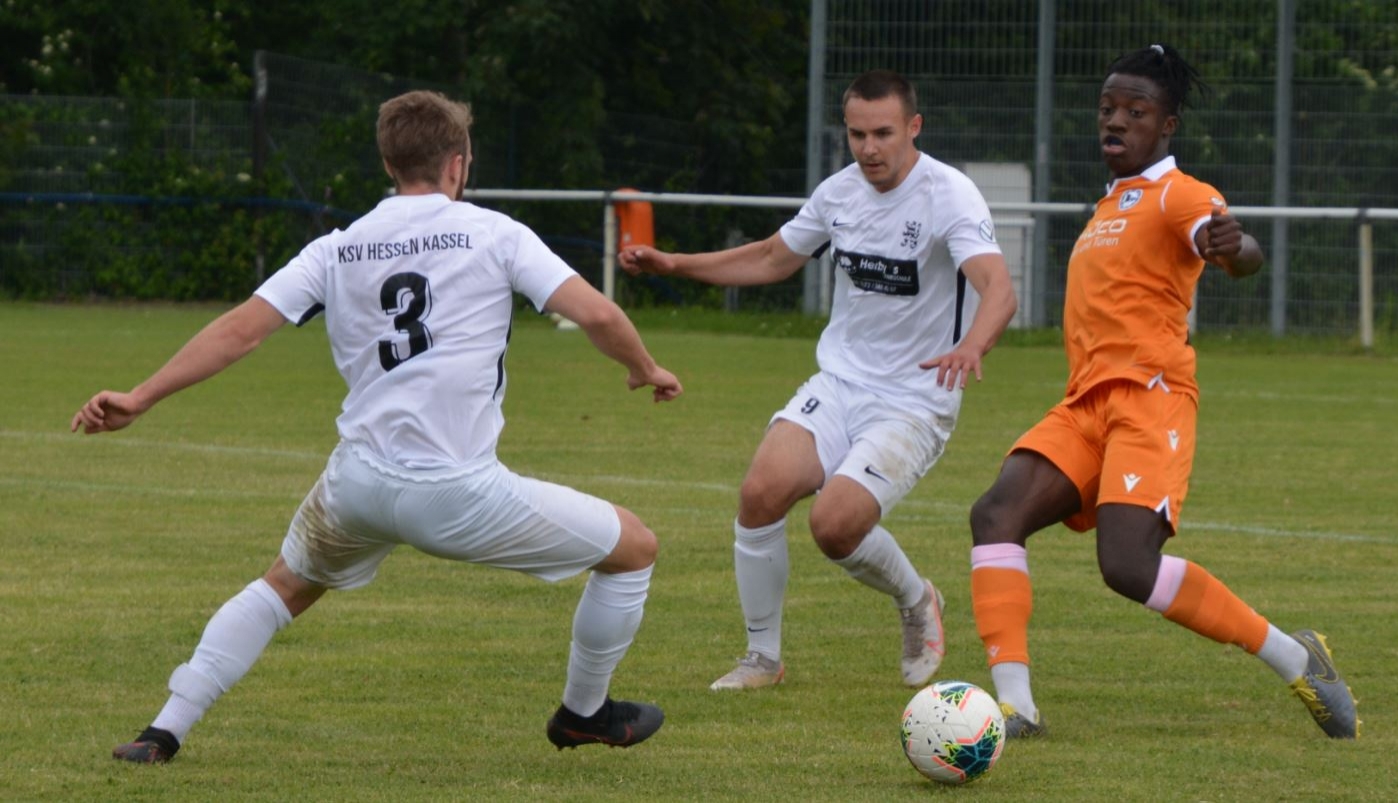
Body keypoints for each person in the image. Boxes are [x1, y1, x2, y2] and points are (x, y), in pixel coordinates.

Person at [72, 90, 683, 764]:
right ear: (458, 163)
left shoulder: (337, 247)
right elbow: (597, 314)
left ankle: (161, 732)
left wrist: (141, 396)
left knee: (283, 585)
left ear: (389, 164)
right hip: (455, 491)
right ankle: (584, 712)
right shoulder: (494, 233)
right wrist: (644, 367)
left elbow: (241, 330)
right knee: (634, 548)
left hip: (357, 484)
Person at [966, 44, 1360, 740]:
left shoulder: (1181, 194)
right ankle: (1016, 709)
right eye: (1107, 109)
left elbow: (1235, 249)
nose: (1115, 121)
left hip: (1149, 399)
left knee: (1126, 566)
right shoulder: (1109, 205)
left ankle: (1296, 657)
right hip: (1085, 403)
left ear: (1167, 125)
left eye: (1136, 112)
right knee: (995, 513)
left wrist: (1233, 246)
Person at [620, 70, 1018, 691]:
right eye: (857, 135)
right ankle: (762, 659)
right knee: (760, 493)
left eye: (883, 133)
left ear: (914, 127)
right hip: (839, 384)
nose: (869, 149)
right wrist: (674, 263)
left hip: (914, 400)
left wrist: (972, 344)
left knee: (834, 526)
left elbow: (999, 288)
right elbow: (771, 257)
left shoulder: (950, 196)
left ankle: (917, 600)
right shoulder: (839, 193)